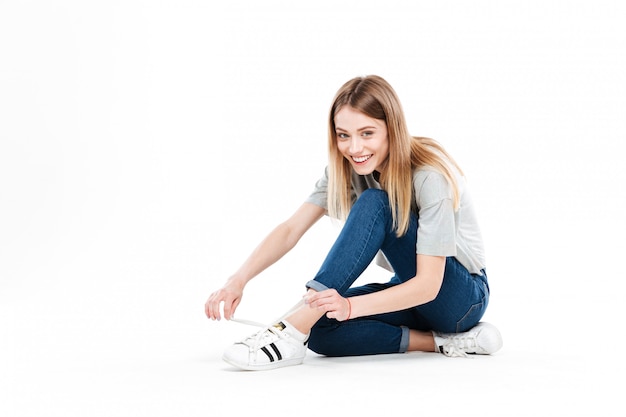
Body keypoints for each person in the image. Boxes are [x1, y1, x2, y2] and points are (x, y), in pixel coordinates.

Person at [205, 75, 502, 371]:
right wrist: (237, 280)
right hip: (411, 294)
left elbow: (428, 285)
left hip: (460, 300)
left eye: (367, 133)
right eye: (343, 135)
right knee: (321, 328)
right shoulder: (349, 169)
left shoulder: (429, 176)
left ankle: (289, 330)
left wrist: (349, 307)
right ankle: (442, 342)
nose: (354, 148)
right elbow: (290, 230)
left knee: (377, 202)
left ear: (392, 130)